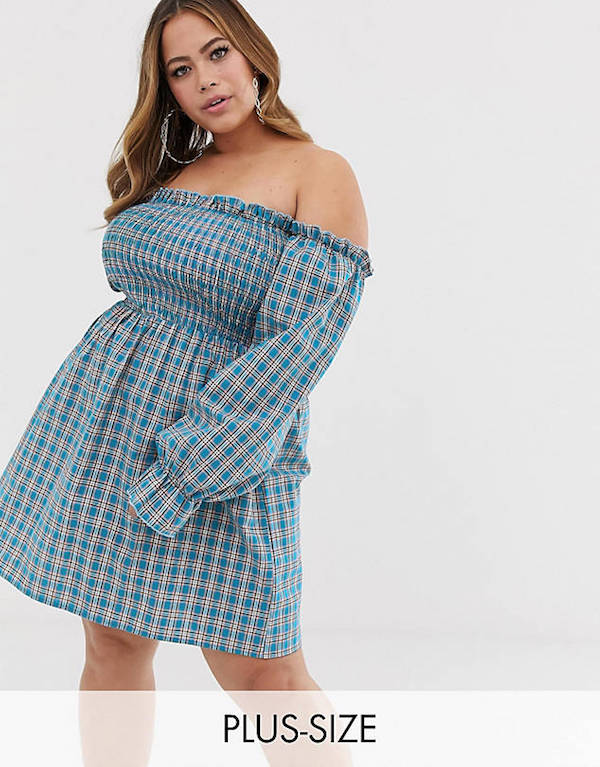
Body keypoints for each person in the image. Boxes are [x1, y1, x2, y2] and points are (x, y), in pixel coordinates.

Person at [0, 0, 373, 693]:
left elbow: (295, 349)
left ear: (253, 54)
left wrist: (186, 467)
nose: (204, 78)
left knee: (263, 673)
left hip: (223, 449)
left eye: (217, 52)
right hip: (108, 431)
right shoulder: (174, 175)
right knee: (112, 643)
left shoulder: (317, 172)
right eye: (180, 69)